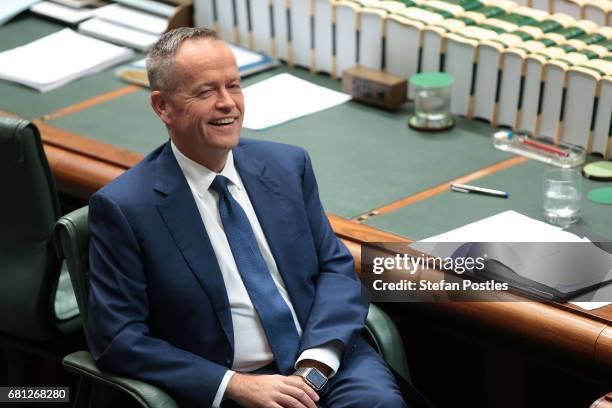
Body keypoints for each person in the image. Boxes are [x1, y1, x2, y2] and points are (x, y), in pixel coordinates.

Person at [87, 27, 412, 408]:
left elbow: (335, 267)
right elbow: (119, 339)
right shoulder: (125, 209)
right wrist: (234, 385)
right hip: (236, 384)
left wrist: (317, 360)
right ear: (162, 107)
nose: (228, 103)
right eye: (206, 92)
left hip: (323, 362)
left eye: (234, 86)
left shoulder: (287, 166)